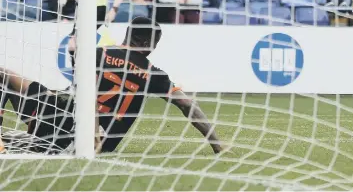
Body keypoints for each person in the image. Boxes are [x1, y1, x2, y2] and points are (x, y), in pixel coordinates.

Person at [0, 17, 226, 154]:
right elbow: (188, 105)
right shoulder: (154, 74)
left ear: (128, 35)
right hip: (102, 143)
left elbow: (86, 94)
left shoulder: (97, 54)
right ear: (149, 43)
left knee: (5, 75)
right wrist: (218, 145)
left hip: (62, 125)